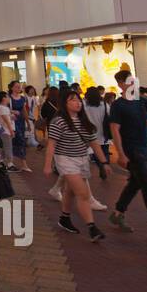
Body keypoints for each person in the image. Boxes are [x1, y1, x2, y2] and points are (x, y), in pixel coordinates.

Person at [44, 90, 108, 242]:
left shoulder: (84, 120)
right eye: (72, 100)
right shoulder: (58, 121)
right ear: (64, 104)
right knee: (83, 193)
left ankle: (65, 218)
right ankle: (92, 227)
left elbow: (94, 143)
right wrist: (47, 165)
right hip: (65, 160)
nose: (77, 102)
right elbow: (51, 144)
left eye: (78, 100)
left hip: (82, 159)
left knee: (70, 191)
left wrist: (104, 162)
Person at [107, 70, 147, 234]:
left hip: (144, 148)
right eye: (129, 81)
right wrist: (121, 154)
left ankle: (117, 213)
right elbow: (115, 130)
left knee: (136, 183)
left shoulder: (141, 101)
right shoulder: (118, 105)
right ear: (121, 85)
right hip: (131, 150)